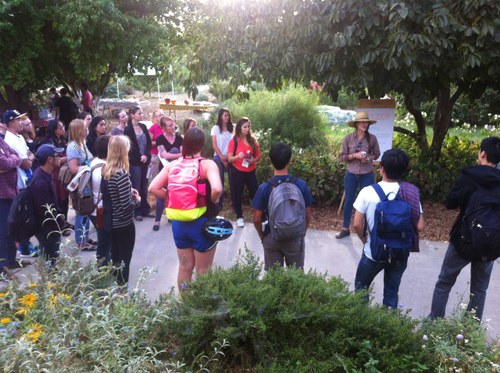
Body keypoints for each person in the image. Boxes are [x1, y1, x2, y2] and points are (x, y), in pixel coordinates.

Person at [429, 137, 500, 321]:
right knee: (479, 291)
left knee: (444, 283)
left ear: (482, 154)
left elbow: (450, 203)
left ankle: (434, 325)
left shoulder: (469, 176)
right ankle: (468, 334)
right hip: (490, 244)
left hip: (463, 240)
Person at [149, 127, 223, 290]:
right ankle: (202, 309)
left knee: (184, 267)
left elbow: (153, 188)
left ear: (185, 143)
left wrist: (173, 197)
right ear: (202, 145)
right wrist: (210, 200)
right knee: (203, 270)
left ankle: (185, 304)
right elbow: (217, 189)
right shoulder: (207, 164)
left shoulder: (173, 165)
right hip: (202, 223)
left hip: (179, 224)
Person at [352, 149, 424, 309]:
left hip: (374, 252)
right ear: (404, 171)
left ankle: (360, 326)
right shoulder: (411, 193)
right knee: (391, 293)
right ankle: (388, 329)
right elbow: (419, 226)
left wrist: (366, 241)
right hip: (399, 253)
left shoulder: (367, 192)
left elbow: (357, 224)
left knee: (361, 290)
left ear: (382, 168)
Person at [252, 142, 313, 270]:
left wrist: (262, 236)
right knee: (296, 278)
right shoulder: (301, 185)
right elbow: (307, 215)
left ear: (271, 161)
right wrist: (302, 233)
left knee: (274, 280)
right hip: (295, 238)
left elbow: (257, 218)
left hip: (272, 236)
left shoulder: (264, 188)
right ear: (289, 160)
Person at [101, 135, 140, 285]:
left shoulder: (106, 170)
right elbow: (126, 206)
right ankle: (121, 291)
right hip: (124, 224)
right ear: (124, 151)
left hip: (111, 222)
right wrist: (137, 201)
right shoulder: (122, 174)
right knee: (124, 261)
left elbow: (113, 194)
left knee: (116, 258)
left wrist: (128, 191)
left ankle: (116, 290)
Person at [337, 112, 381, 239]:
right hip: (351, 173)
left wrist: (367, 157)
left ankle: (368, 230)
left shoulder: (372, 138)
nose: (364, 124)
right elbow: (342, 157)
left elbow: (377, 154)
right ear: (356, 124)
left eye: (366, 122)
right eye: (362, 122)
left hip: (367, 174)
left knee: (368, 202)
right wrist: (354, 156)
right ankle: (345, 228)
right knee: (349, 201)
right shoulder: (348, 138)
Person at [3, 110, 38, 257]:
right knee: (21, 216)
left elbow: (30, 155)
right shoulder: (9, 140)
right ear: (11, 123)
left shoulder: (20, 137)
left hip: (26, 180)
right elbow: (25, 163)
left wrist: (27, 159)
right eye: (18, 120)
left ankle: (25, 244)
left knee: (26, 215)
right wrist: (26, 159)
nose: (21, 122)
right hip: (19, 182)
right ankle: (23, 248)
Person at [31, 144, 66, 266]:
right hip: (47, 229)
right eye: (57, 155)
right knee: (50, 261)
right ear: (49, 160)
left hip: (52, 225)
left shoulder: (46, 174)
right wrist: (59, 221)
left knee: (53, 259)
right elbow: (44, 210)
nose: (60, 158)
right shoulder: (39, 181)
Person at [66, 118, 96, 251]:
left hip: (85, 181)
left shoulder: (82, 143)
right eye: (84, 127)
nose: (87, 129)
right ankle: (81, 242)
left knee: (86, 210)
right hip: (80, 183)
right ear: (78, 131)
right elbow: (73, 168)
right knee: (82, 211)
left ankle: (85, 237)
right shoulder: (74, 146)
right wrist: (88, 167)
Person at [227, 117, 261, 228]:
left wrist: (252, 160)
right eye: (244, 127)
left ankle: (262, 217)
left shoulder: (252, 141)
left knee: (255, 194)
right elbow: (229, 159)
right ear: (239, 128)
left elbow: (258, 156)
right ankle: (239, 217)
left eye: (248, 127)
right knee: (237, 194)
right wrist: (238, 156)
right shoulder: (234, 141)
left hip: (250, 170)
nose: (247, 129)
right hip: (237, 171)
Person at [40, 119, 72, 234]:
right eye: (60, 127)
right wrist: (64, 159)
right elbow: (50, 159)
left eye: (63, 127)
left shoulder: (63, 140)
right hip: (54, 172)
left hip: (63, 172)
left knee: (64, 198)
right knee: (56, 199)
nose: (63, 129)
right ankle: (58, 225)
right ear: (54, 130)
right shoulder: (48, 142)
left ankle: (64, 222)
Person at [152, 116, 183, 231]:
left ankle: (171, 216)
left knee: (174, 194)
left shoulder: (179, 138)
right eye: (170, 125)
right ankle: (157, 220)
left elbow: (183, 153)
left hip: (177, 170)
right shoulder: (160, 138)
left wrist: (174, 156)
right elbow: (164, 155)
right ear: (164, 128)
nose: (173, 126)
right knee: (161, 195)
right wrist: (178, 155)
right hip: (165, 169)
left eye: (173, 123)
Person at [124, 106, 153, 221]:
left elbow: (149, 143)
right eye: (139, 113)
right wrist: (140, 156)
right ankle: (137, 211)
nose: (142, 115)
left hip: (145, 161)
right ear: (132, 115)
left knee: (144, 185)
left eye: (142, 113)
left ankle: (146, 209)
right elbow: (131, 146)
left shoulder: (144, 126)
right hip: (135, 161)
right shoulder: (128, 129)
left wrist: (146, 155)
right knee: (136, 186)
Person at [0, 136, 23, 278]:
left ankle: (11, 260)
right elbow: (2, 163)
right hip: (1, 195)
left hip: (10, 192)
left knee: (12, 228)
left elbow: (17, 156)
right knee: (3, 232)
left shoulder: (2, 141)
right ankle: (3, 267)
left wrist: (11, 161)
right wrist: (11, 161)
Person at [89, 135, 112, 266]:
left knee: (104, 241)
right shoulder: (104, 169)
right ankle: (103, 271)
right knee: (104, 243)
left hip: (95, 209)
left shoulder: (94, 162)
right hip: (102, 211)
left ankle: (105, 266)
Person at [211, 108, 233, 208]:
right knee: (219, 178)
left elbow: (234, 144)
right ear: (220, 116)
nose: (227, 117)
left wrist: (228, 157)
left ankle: (234, 201)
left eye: (228, 115)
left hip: (231, 156)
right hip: (218, 156)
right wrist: (222, 157)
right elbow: (214, 144)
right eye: (225, 115)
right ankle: (219, 203)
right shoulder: (215, 128)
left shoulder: (233, 127)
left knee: (234, 178)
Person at [148, 109, 164, 183]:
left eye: (162, 114)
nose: (162, 116)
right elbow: (149, 143)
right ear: (155, 118)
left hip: (167, 154)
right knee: (156, 177)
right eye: (159, 115)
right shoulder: (152, 128)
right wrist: (160, 142)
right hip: (156, 155)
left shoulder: (167, 126)